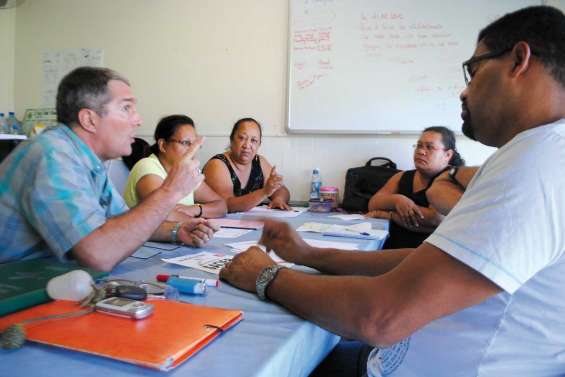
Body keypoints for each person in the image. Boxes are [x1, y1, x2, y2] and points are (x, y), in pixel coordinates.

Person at [220, 6, 565, 377]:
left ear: (518, 60)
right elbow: (421, 265)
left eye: (474, 70)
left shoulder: (539, 162)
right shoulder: (538, 153)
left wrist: (266, 276)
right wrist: (309, 253)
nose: (464, 90)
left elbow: (379, 318)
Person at [0, 67, 217, 271]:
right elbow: (100, 254)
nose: (138, 120)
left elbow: (122, 223)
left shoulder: (88, 161)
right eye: (126, 108)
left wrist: (176, 231)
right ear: (89, 120)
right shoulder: (52, 154)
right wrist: (171, 191)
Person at [366, 126, 464, 248]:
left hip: (425, 252)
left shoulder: (452, 180)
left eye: (429, 147)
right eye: (419, 145)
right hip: (391, 246)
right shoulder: (402, 176)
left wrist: (387, 215)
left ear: (448, 155)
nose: (421, 151)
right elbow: (373, 204)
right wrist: (397, 200)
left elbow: (434, 220)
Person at [123, 115, 227, 220]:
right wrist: (200, 223)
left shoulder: (188, 171)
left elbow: (221, 206)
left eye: (194, 144)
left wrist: (195, 209)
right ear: (163, 145)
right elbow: (162, 214)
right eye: (185, 143)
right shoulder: (147, 166)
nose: (192, 150)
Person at [203, 117, 291, 212]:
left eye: (253, 140)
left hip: (253, 223)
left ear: (259, 145)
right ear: (232, 140)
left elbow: (281, 190)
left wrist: (279, 199)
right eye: (242, 138)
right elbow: (226, 205)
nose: (247, 145)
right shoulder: (217, 164)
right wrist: (264, 192)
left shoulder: (259, 162)